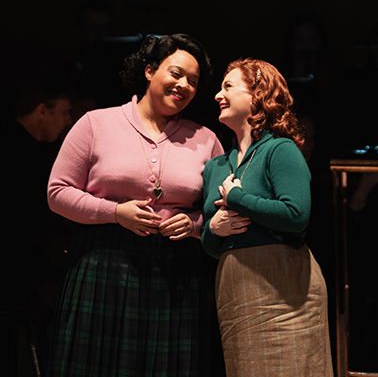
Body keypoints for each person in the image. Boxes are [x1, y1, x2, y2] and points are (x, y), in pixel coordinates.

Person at [46, 33, 224, 377]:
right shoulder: (96, 123)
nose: (184, 85)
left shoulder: (206, 139)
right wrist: (115, 213)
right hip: (104, 264)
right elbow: (58, 193)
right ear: (149, 71)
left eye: (193, 81)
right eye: (176, 73)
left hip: (176, 271)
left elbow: (218, 209)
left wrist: (194, 225)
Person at [200, 58, 333, 377]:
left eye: (228, 86)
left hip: (283, 285)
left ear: (257, 94)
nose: (218, 95)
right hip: (235, 289)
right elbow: (210, 244)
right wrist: (213, 231)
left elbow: (296, 215)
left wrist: (237, 198)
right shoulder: (215, 167)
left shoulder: (280, 150)